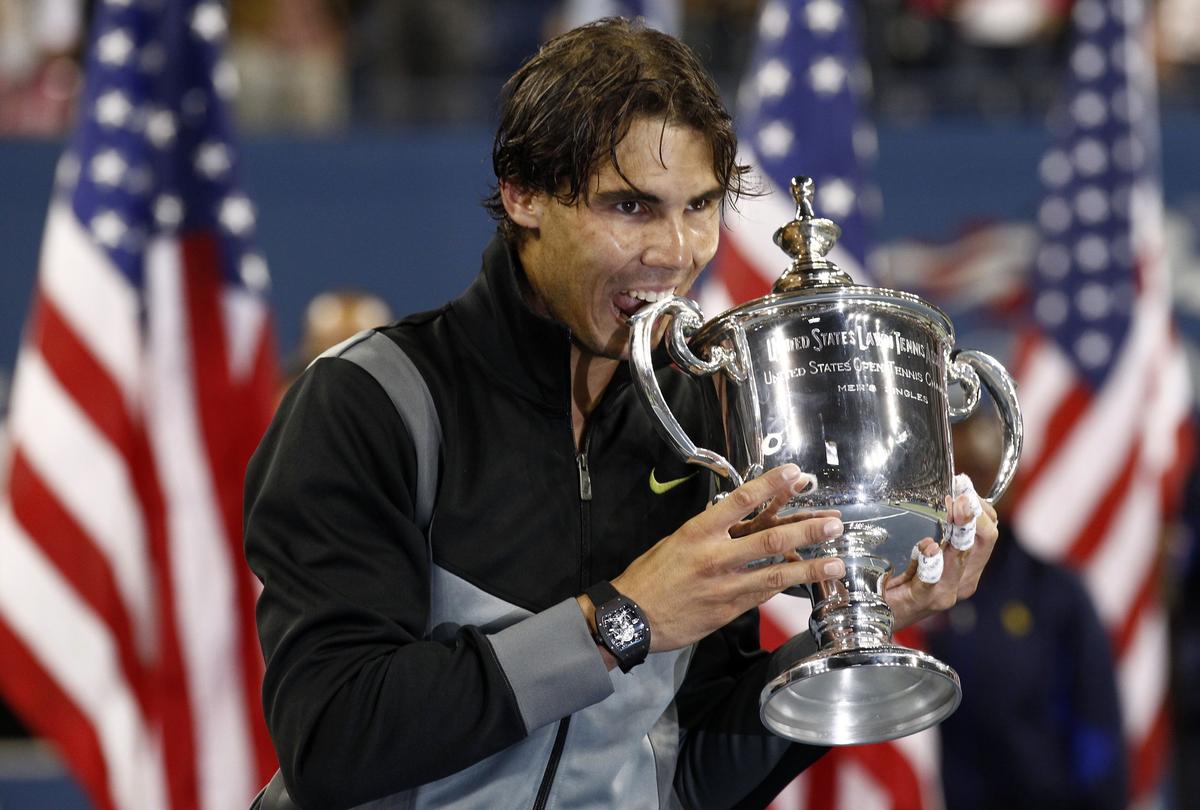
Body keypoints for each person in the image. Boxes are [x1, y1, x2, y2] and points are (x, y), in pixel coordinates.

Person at [244, 18, 999, 809]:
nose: (675, 250)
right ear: (523, 194)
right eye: (631, 207)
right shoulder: (368, 402)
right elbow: (332, 739)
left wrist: (854, 631)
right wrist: (621, 620)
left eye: (701, 204)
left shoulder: (701, 420)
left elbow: (689, 774)